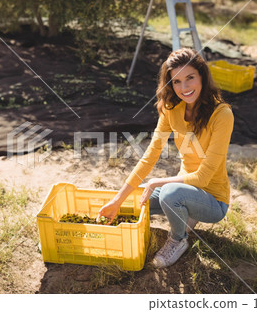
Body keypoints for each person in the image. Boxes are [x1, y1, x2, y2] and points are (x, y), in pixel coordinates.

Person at [97, 48, 234, 268]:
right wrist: (117, 201)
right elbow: (149, 156)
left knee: (168, 192)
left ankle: (178, 240)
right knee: (138, 199)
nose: (184, 88)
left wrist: (157, 182)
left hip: (214, 200)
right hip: (185, 187)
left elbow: (202, 178)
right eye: (177, 82)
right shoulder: (172, 110)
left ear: (202, 77)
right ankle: (186, 210)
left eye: (190, 78)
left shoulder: (222, 115)